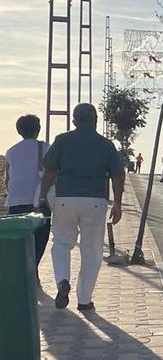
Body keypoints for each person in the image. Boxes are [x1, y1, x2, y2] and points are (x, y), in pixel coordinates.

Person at [37, 103, 124, 312]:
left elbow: (49, 171)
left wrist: (42, 196)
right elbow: (117, 176)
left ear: (74, 121)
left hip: (65, 198)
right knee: (91, 250)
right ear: (95, 120)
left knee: (60, 242)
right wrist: (118, 203)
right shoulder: (106, 144)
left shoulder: (62, 140)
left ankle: (62, 280)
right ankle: (84, 300)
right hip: (95, 200)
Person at [5, 114, 51, 272]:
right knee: (40, 237)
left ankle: (24, 271)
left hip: (15, 201)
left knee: (19, 240)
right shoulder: (45, 148)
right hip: (39, 201)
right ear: (38, 129)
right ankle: (33, 269)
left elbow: (7, 177)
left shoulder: (11, 151)